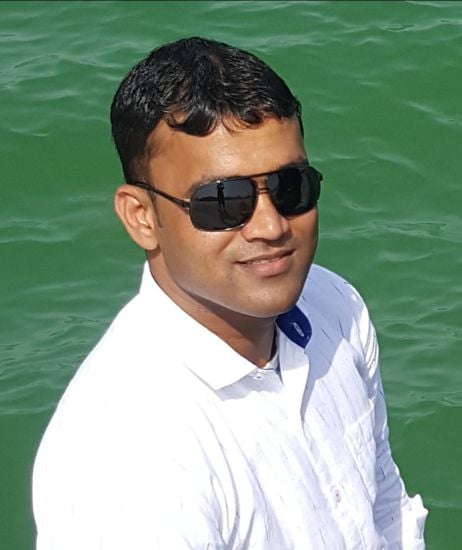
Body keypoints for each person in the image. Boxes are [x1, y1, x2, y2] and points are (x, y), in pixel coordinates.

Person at [33, 37, 427, 549]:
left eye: (290, 187)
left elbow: (384, 505)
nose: (270, 225)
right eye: (223, 201)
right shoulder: (126, 460)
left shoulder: (335, 306)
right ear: (142, 217)